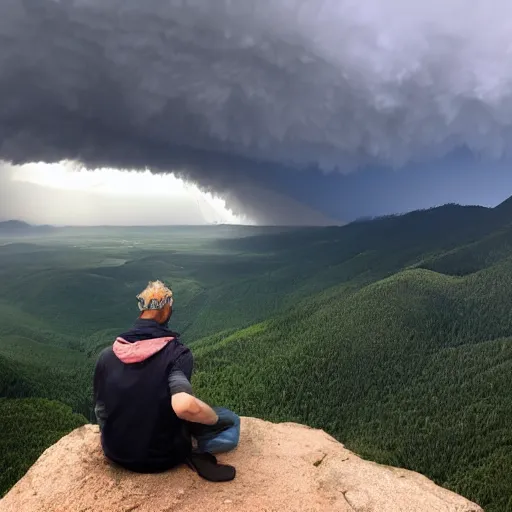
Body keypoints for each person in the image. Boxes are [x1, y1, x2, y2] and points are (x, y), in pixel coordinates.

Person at [93, 280, 238, 481]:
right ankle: (198, 445)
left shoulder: (107, 356)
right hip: (163, 458)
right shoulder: (177, 354)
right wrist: (213, 421)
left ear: (141, 310)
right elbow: (184, 405)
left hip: (115, 452)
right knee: (229, 418)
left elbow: (101, 410)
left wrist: (114, 436)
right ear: (166, 310)